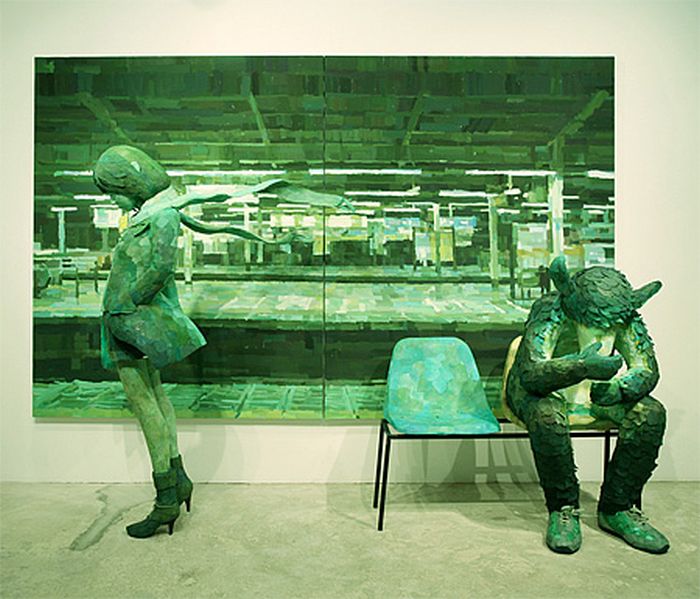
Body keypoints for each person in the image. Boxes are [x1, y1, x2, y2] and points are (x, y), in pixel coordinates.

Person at [94, 145, 349, 538]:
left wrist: (125, 302)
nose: (111, 198)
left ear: (130, 182)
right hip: (128, 320)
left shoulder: (162, 216)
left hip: (131, 320)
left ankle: (165, 499)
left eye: (112, 189)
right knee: (156, 398)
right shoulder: (149, 215)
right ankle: (178, 481)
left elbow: (160, 269)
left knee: (146, 404)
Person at [505, 256, 669, 554]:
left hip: (593, 396)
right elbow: (531, 374)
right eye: (592, 323)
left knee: (650, 413)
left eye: (609, 326)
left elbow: (646, 369)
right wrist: (579, 366)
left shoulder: (623, 314)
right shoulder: (550, 309)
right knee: (547, 416)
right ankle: (563, 508)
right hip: (538, 393)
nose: (602, 331)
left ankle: (618, 507)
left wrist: (619, 388)